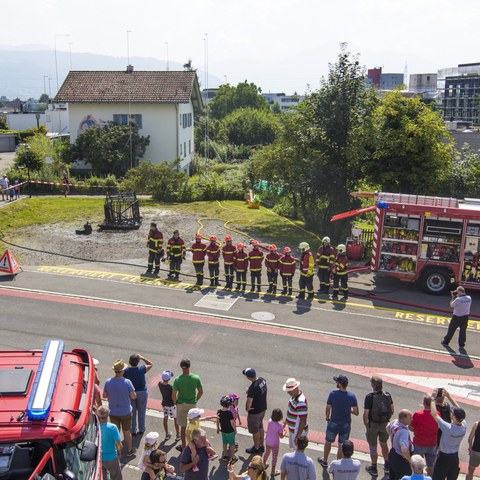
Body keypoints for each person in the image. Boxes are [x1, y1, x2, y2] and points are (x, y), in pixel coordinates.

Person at [318, 375, 359, 468]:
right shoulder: (351, 396)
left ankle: (325, 460)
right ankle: (338, 464)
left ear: (340, 384)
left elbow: (328, 408)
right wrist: (349, 410)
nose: (336, 383)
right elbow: (356, 412)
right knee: (341, 445)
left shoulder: (333, 394)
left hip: (333, 422)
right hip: (346, 424)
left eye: (337, 382)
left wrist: (327, 418)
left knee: (328, 441)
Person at [429, 389, 466, 480]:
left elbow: (434, 413)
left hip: (443, 457)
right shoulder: (464, 426)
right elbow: (459, 410)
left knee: (437, 477)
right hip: (454, 457)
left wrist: (433, 398)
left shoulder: (447, 428)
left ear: (453, 417)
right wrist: (449, 396)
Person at [102, 359, 137, 456]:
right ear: (122, 371)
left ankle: (118, 452)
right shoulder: (127, 382)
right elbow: (133, 396)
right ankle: (129, 450)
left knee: (116, 432)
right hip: (125, 411)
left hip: (113, 411)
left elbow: (104, 395)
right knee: (127, 432)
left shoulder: (108, 382)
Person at [363, 375, 394, 476]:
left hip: (373, 424)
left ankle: (374, 467)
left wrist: (367, 424)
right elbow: (392, 410)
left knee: (373, 446)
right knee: (384, 443)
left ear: (372, 385)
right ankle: (387, 465)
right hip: (384, 424)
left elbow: (366, 414)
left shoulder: (369, 397)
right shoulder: (387, 395)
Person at [172, 358, 203, 451]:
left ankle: (184, 446)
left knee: (183, 426)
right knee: (194, 426)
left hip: (181, 404)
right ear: (189, 366)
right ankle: (195, 445)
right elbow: (201, 391)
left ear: (181, 367)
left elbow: (173, 393)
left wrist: (175, 402)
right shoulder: (196, 378)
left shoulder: (177, 379)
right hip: (192, 404)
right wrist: (195, 399)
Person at [123, 353, 153, 436]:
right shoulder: (141, 369)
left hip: (131, 392)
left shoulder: (126, 371)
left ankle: (133, 430)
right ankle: (142, 429)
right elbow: (150, 364)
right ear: (138, 362)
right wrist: (142, 357)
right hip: (142, 392)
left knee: (132, 412)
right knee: (141, 411)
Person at [410, 396, 438, 477]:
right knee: (431, 465)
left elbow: (411, 428)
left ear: (424, 403)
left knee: (418, 464)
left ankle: (420, 478)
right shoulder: (437, 414)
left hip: (419, 443)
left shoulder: (417, 414)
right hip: (432, 443)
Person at [243, 367, 268, 454]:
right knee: (260, 426)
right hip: (263, 409)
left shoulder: (253, 387)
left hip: (255, 412)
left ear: (248, 377)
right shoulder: (262, 380)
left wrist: (247, 408)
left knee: (255, 430)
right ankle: (261, 445)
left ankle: (256, 448)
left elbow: (249, 402)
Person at [97, 405, 123, 480]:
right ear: (108, 415)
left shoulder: (96, 427)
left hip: (100, 458)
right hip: (111, 458)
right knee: (116, 476)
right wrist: (119, 451)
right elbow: (119, 445)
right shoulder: (112, 427)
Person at [386, 410, 414, 480]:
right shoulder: (403, 431)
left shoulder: (394, 422)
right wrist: (409, 460)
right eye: (410, 418)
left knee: (392, 476)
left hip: (393, 453)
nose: (412, 419)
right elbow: (404, 449)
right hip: (401, 459)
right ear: (403, 419)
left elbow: (387, 428)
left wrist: (393, 437)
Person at [283, 378, 308, 448]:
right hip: (293, 430)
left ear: (295, 388)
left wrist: (298, 436)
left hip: (297, 431)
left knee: (297, 451)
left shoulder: (300, 402)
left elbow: (303, 420)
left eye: (290, 391)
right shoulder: (293, 396)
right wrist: (285, 422)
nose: (288, 392)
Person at [158, 369, 180, 441]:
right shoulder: (171, 387)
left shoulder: (160, 384)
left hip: (164, 404)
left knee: (165, 418)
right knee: (175, 419)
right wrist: (175, 402)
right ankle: (177, 435)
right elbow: (174, 396)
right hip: (171, 405)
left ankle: (167, 434)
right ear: (169, 378)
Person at [264, 408, 285, 476]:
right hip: (275, 443)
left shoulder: (270, 421)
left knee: (267, 453)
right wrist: (284, 432)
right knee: (274, 457)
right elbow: (281, 436)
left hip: (268, 441)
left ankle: (263, 464)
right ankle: (273, 471)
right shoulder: (280, 426)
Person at [217, 395, 237, 462]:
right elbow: (232, 423)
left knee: (224, 443)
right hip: (230, 432)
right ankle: (233, 457)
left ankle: (225, 456)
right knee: (232, 444)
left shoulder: (219, 411)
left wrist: (218, 428)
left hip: (223, 431)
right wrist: (235, 429)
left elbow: (217, 420)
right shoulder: (229, 413)